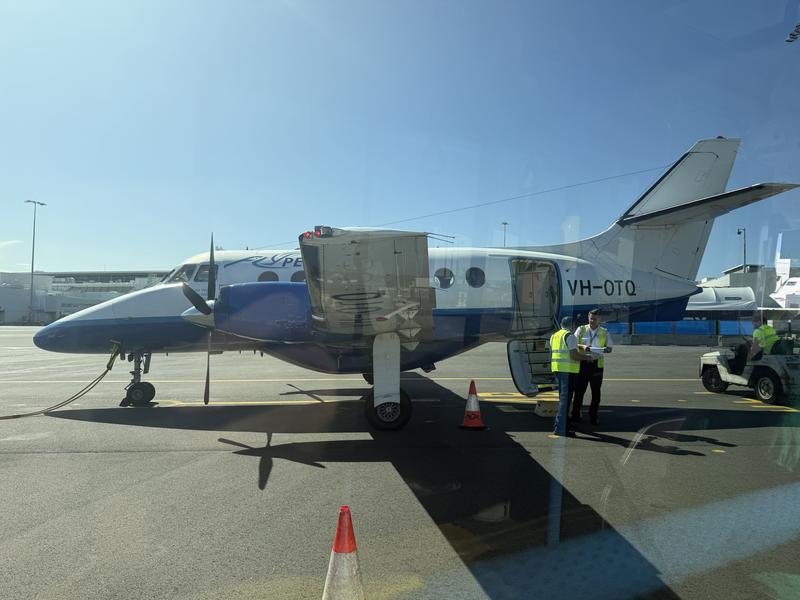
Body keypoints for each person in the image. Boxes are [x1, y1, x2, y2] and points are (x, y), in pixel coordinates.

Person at [549, 315, 592, 436]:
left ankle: (563, 424)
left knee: (563, 399)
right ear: (573, 325)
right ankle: (560, 428)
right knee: (565, 400)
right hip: (567, 371)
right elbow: (574, 355)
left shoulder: (555, 336)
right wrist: (586, 358)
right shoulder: (570, 336)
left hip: (557, 369)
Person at [572, 308, 613, 426]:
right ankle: (575, 414)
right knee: (579, 392)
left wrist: (605, 349)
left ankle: (593, 416)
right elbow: (574, 343)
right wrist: (583, 347)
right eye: (591, 318)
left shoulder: (604, 332)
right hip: (583, 363)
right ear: (588, 318)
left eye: (595, 319)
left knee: (596, 392)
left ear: (599, 319)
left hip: (596, 365)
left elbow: (609, 348)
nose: (592, 321)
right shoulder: (581, 329)